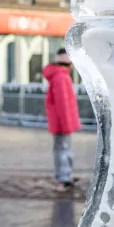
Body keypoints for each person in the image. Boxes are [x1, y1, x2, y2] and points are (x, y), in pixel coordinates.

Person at [43, 49, 82, 190]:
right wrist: (67, 124)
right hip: (62, 122)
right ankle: (64, 178)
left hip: (60, 121)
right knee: (63, 150)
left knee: (62, 149)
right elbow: (63, 103)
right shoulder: (61, 77)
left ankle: (65, 176)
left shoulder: (58, 76)